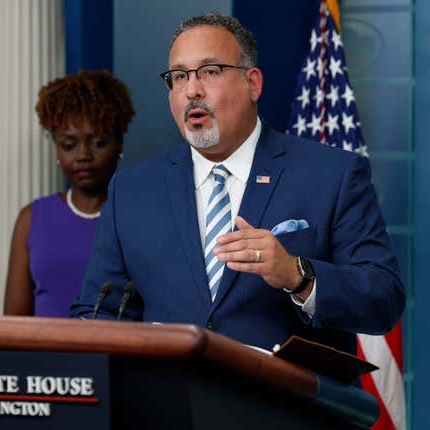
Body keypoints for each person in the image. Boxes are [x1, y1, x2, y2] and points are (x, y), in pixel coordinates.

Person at [70, 13, 405, 356]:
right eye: (179, 76)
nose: (191, 90)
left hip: (288, 404)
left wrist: (297, 274)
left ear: (253, 84)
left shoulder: (332, 174)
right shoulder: (132, 191)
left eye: (210, 71)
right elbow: (98, 312)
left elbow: (383, 300)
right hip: (168, 402)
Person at [4, 70, 135, 317]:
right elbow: (13, 324)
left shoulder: (139, 218)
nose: (83, 155)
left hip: (117, 354)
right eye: (68, 145)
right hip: (44, 355)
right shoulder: (31, 219)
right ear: (56, 148)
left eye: (97, 142)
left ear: (119, 143)